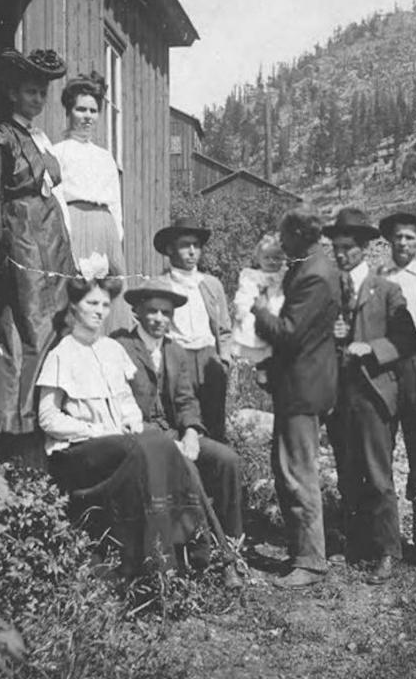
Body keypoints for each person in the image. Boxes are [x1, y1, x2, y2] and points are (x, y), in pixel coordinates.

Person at [36, 275, 210, 576]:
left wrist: (131, 420)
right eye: (92, 303)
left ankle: (181, 554)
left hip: (119, 442)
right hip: (80, 450)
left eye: (105, 304)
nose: (100, 311)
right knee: (149, 446)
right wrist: (94, 430)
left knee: (161, 444)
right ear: (75, 306)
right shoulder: (62, 353)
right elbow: (48, 418)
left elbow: (126, 401)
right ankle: (149, 564)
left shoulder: (112, 350)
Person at [112, 279, 244, 589]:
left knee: (227, 460)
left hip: (173, 431)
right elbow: (120, 404)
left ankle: (235, 542)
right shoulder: (120, 347)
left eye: (166, 313)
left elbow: (186, 400)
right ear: (137, 313)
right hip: (140, 436)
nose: (160, 319)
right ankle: (218, 558)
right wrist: (170, 442)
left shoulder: (175, 351)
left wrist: (191, 433)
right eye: (153, 312)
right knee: (187, 469)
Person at [323, 208, 416, 585]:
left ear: (363, 247)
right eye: (336, 248)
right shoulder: (328, 292)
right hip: (339, 394)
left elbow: (407, 339)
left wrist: (371, 348)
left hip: (374, 393)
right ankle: (356, 543)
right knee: (347, 472)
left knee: (378, 476)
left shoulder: (386, 290)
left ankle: (387, 552)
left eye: (348, 248)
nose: (341, 254)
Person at [0, 47, 75, 468]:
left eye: (42, 93)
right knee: (30, 327)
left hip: (51, 234)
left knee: (59, 320)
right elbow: (1, 197)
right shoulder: (4, 136)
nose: (37, 100)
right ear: (12, 93)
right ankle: (20, 431)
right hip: (24, 233)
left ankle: (51, 416)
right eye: (29, 92)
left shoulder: (38, 136)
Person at [251, 209, 342, 588]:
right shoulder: (312, 266)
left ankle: (310, 560)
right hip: (301, 382)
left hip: (303, 386)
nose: (281, 244)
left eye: (285, 238)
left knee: (297, 469)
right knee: (290, 465)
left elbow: (289, 332)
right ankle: (303, 550)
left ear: (301, 236)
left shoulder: (314, 275)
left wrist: (258, 312)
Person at [378, 211, 416, 536]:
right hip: (383, 368)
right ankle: (383, 528)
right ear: (390, 241)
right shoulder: (377, 276)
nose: (403, 242)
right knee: (381, 445)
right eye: (398, 236)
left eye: (409, 238)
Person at [153, 218, 232, 442]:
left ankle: (214, 471)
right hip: (177, 357)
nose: (191, 252)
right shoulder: (160, 285)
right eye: (185, 245)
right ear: (170, 249)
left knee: (214, 422)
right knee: (182, 420)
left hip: (209, 359)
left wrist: (224, 360)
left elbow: (224, 327)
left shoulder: (211, 284)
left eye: (196, 246)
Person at [51, 72, 126, 278]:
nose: (87, 116)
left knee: (108, 293)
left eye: (93, 111)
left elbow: (115, 203)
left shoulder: (105, 157)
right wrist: (67, 235)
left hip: (105, 230)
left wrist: (115, 235)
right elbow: (55, 199)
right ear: (69, 112)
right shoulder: (58, 152)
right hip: (73, 227)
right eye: (81, 109)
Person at [232, 233, 287, 388]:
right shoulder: (250, 276)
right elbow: (244, 294)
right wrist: (242, 309)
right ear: (258, 258)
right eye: (267, 257)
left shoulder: (284, 276)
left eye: (276, 258)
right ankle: (261, 368)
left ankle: (270, 368)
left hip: (277, 310)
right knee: (257, 341)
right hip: (255, 313)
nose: (271, 261)